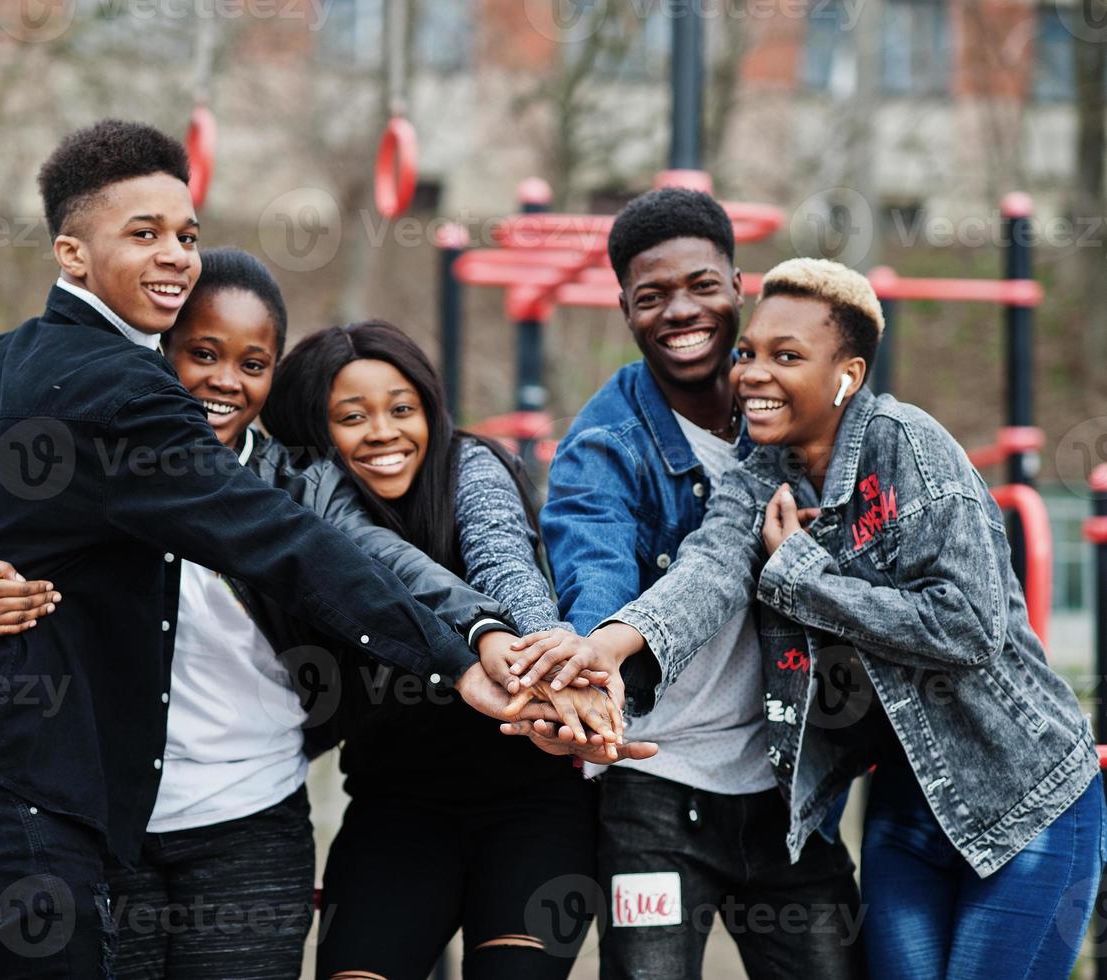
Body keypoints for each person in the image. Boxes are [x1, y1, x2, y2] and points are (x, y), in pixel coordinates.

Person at [0, 120, 548, 979]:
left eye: (186, 235)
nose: (174, 256)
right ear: (72, 254)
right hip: (19, 794)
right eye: (144, 233)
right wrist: (456, 665)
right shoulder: (127, 391)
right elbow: (280, 541)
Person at [512, 258, 1106, 979]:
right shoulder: (764, 470)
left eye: (785, 357)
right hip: (909, 804)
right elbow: (709, 569)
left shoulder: (908, 447)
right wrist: (608, 645)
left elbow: (966, 627)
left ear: (845, 375)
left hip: (1025, 792)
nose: (752, 375)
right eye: (748, 354)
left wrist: (801, 575)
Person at [532, 188, 865, 979]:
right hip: (655, 786)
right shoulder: (602, 447)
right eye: (652, 297)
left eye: (700, 286)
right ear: (624, 309)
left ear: (738, 287)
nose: (679, 311)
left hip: (788, 786)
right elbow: (595, 573)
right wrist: (592, 674)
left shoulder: (802, 416)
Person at [260, 321, 653, 980]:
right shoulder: (317, 508)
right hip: (394, 810)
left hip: (532, 807)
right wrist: (481, 638)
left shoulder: (471, 464)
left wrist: (545, 656)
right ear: (317, 432)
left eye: (402, 409)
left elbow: (504, 560)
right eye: (351, 417)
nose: (383, 432)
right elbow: (377, 561)